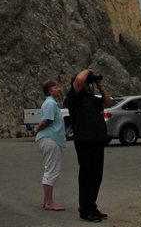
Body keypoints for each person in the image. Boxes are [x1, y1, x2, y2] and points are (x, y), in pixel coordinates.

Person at [64, 68, 112, 223]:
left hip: (97, 140)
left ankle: (92, 206)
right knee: (87, 175)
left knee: (97, 175)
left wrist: (99, 85)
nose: (86, 84)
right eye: (86, 82)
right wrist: (88, 71)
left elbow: (107, 101)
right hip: (85, 140)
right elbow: (78, 80)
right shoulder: (74, 97)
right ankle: (85, 210)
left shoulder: (91, 98)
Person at [32, 80, 67, 211]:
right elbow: (47, 121)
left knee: (51, 168)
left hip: (50, 139)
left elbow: (45, 120)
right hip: (50, 139)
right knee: (52, 169)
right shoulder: (51, 103)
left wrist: (37, 128)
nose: (59, 89)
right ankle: (48, 202)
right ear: (50, 91)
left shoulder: (50, 104)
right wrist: (37, 129)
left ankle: (48, 201)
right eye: (55, 87)